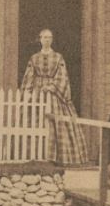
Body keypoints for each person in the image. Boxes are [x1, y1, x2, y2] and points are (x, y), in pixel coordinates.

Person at [21, 28, 89, 166]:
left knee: (56, 122)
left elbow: (62, 76)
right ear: (39, 39)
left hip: (53, 93)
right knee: (34, 120)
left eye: (49, 37)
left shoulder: (58, 57)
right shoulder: (34, 58)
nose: (47, 40)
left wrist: (52, 87)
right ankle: (35, 155)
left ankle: (56, 157)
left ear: (52, 40)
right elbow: (29, 75)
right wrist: (29, 92)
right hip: (37, 93)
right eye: (44, 37)